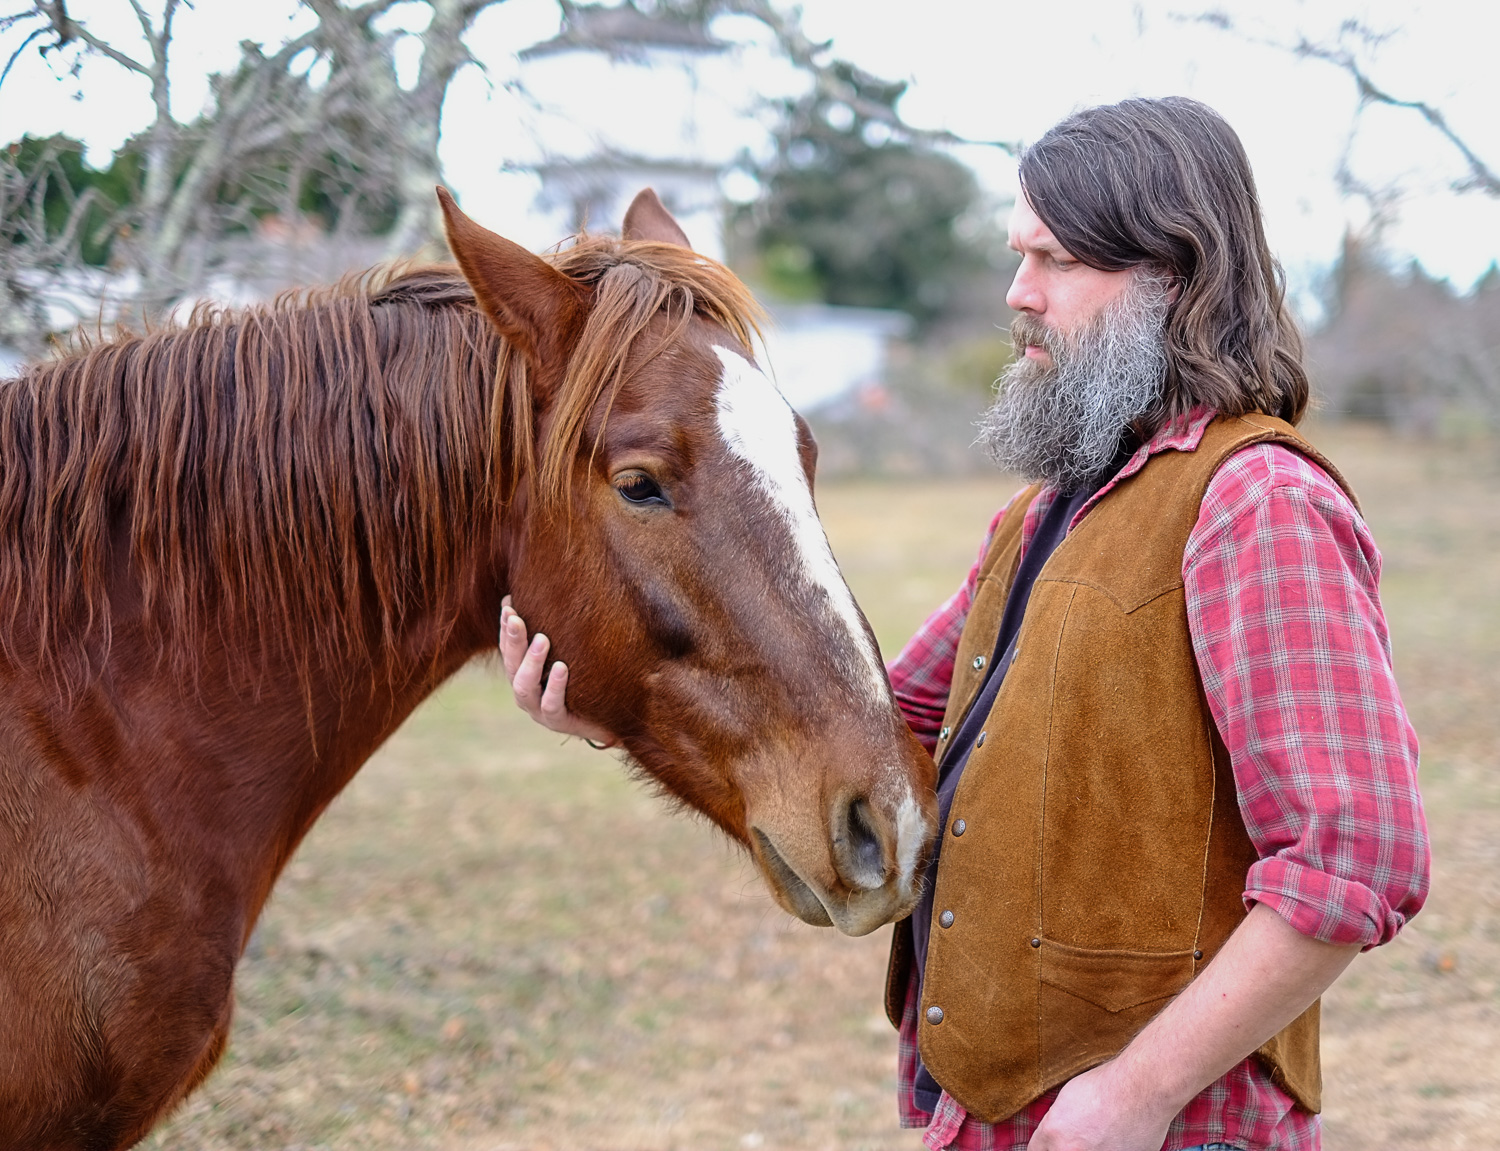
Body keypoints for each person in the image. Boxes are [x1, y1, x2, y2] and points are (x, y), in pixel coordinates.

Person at [498, 96, 1429, 1151]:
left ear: (1175, 275)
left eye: (1058, 261)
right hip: (1005, 1115)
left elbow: (1359, 856)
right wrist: (618, 709)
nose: (1016, 294)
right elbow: (877, 724)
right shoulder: (1047, 512)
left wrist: (1138, 1090)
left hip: (1169, 1126)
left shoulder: (1257, 500)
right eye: (1016, 254)